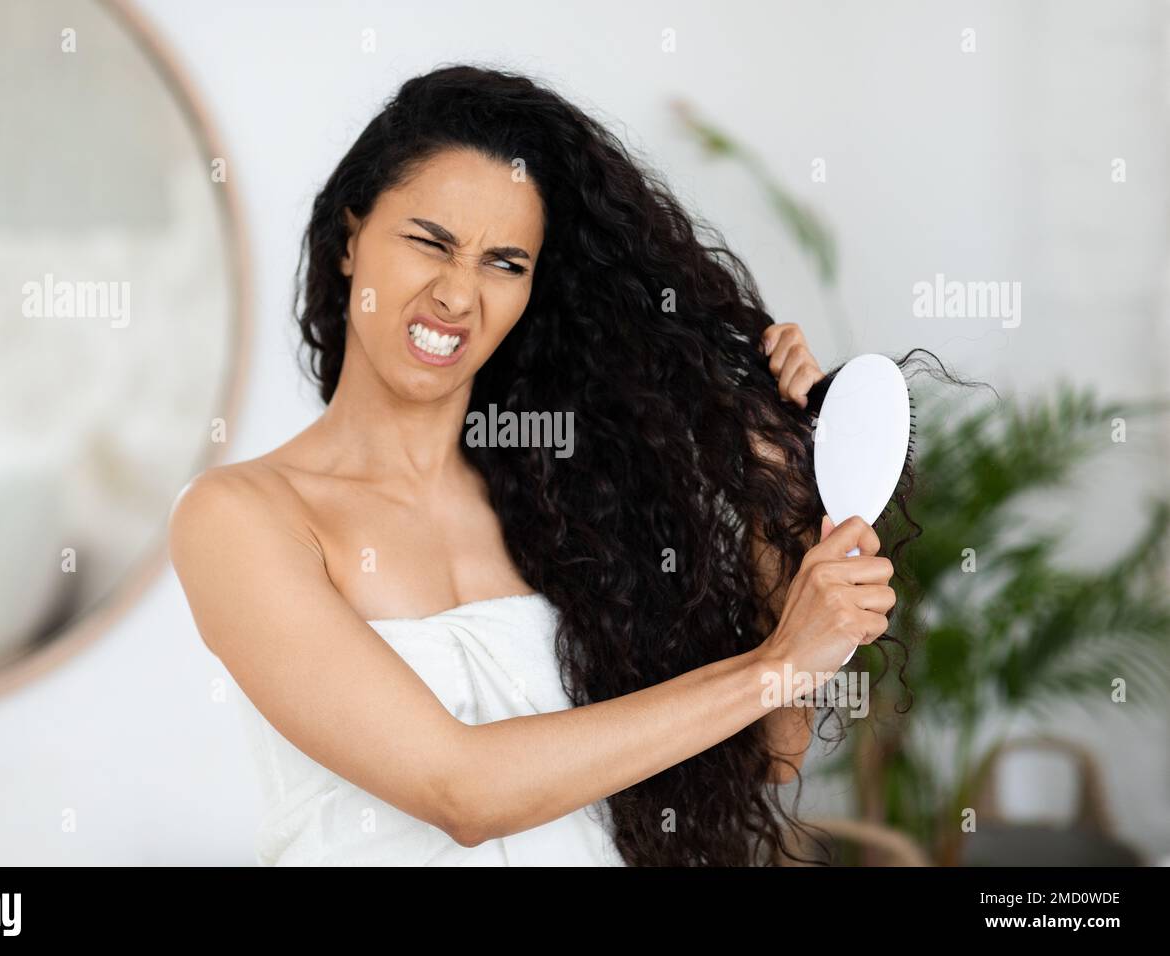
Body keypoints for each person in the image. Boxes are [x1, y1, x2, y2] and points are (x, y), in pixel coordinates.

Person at [168, 64, 901, 866]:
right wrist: (776, 662)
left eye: (504, 264)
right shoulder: (238, 517)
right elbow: (464, 792)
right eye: (429, 243)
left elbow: (770, 749)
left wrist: (776, 488)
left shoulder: (564, 499)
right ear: (350, 242)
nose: (456, 296)